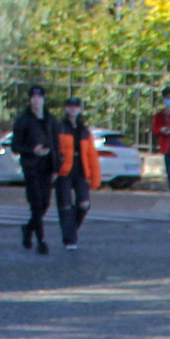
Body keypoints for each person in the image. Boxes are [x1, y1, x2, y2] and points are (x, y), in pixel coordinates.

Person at [9, 85, 56, 253]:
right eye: (33, 97)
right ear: (30, 100)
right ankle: (41, 241)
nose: (36, 100)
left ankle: (28, 229)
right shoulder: (23, 120)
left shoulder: (51, 120)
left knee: (45, 204)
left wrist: (56, 165)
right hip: (31, 167)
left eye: (39, 97)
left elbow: (56, 143)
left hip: (47, 166)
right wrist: (32, 150)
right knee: (36, 204)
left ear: (44, 99)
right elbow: (15, 146)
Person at [53, 95, 99, 250]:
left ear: (80, 109)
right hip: (63, 170)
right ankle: (70, 240)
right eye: (70, 106)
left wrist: (95, 176)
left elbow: (91, 154)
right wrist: (53, 168)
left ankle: (71, 229)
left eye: (76, 107)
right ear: (66, 109)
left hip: (80, 168)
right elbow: (54, 149)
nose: (73, 109)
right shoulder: (59, 127)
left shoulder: (84, 130)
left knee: (84, 204)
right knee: (65, 205)